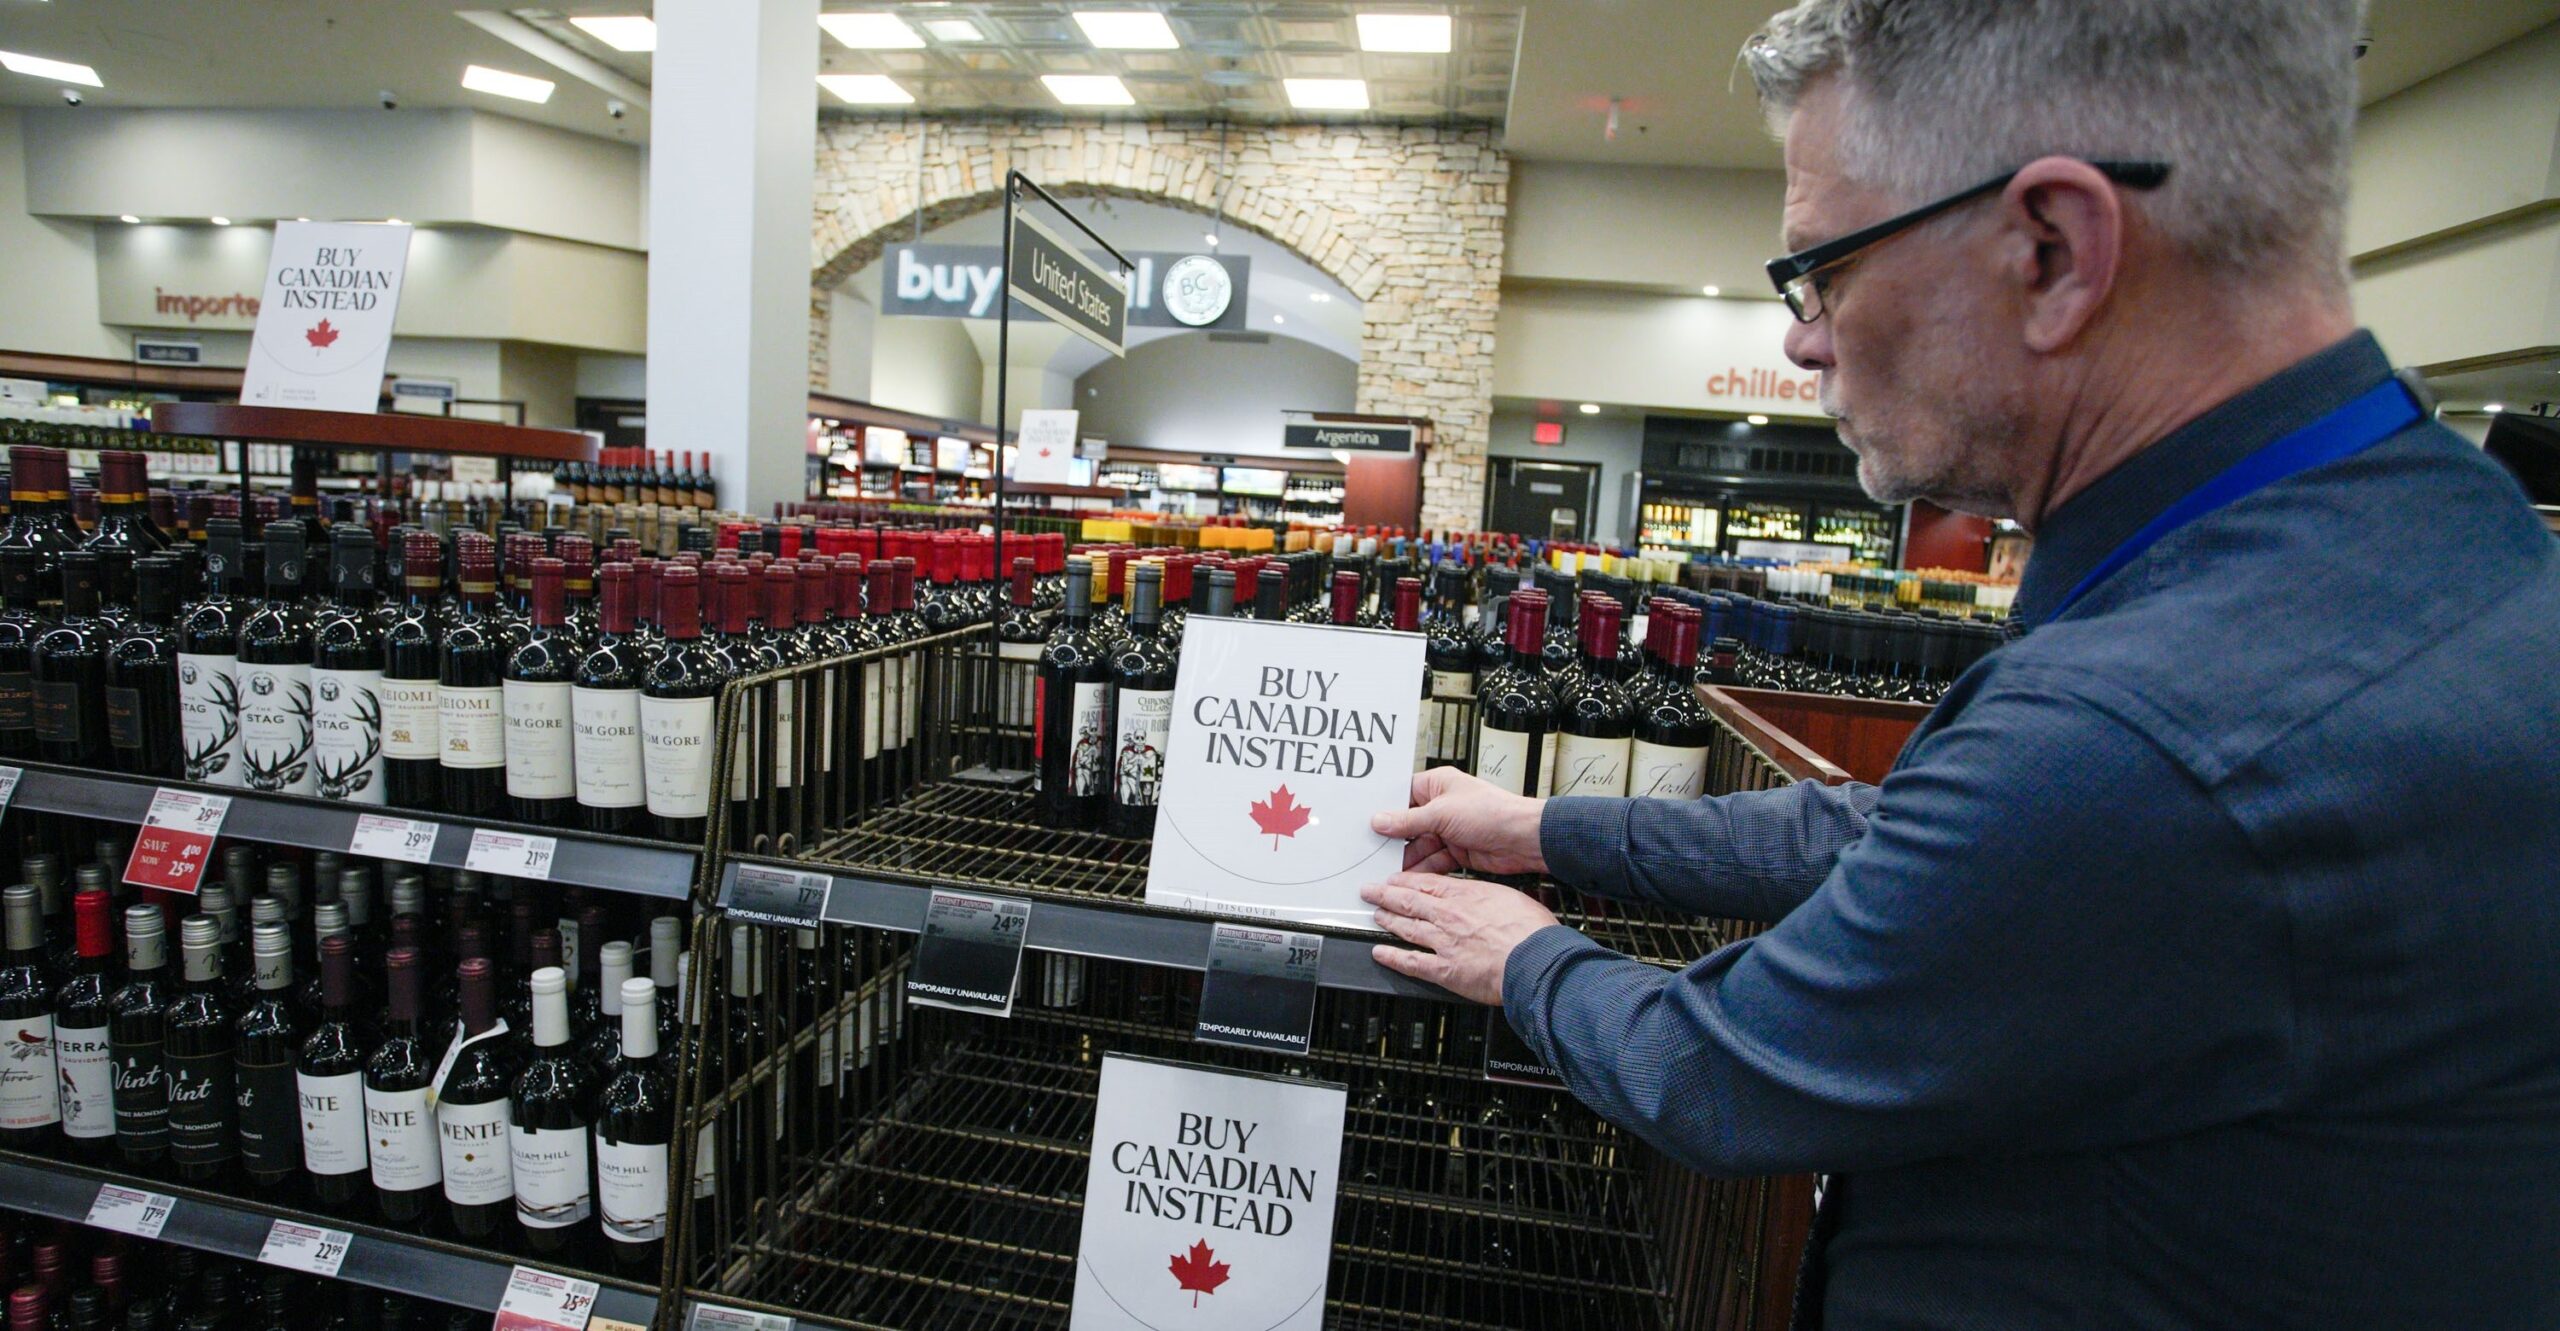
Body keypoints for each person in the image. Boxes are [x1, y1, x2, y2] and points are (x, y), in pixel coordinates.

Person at [1362, 2, 2560, 1327]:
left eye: (1822, 270)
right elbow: (1913, 838)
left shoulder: (2138, 736)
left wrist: (1514, 954)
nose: (1803, 339)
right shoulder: (2433, 545)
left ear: (2053, 250)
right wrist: (1543, 827)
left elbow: (1728, 1075)